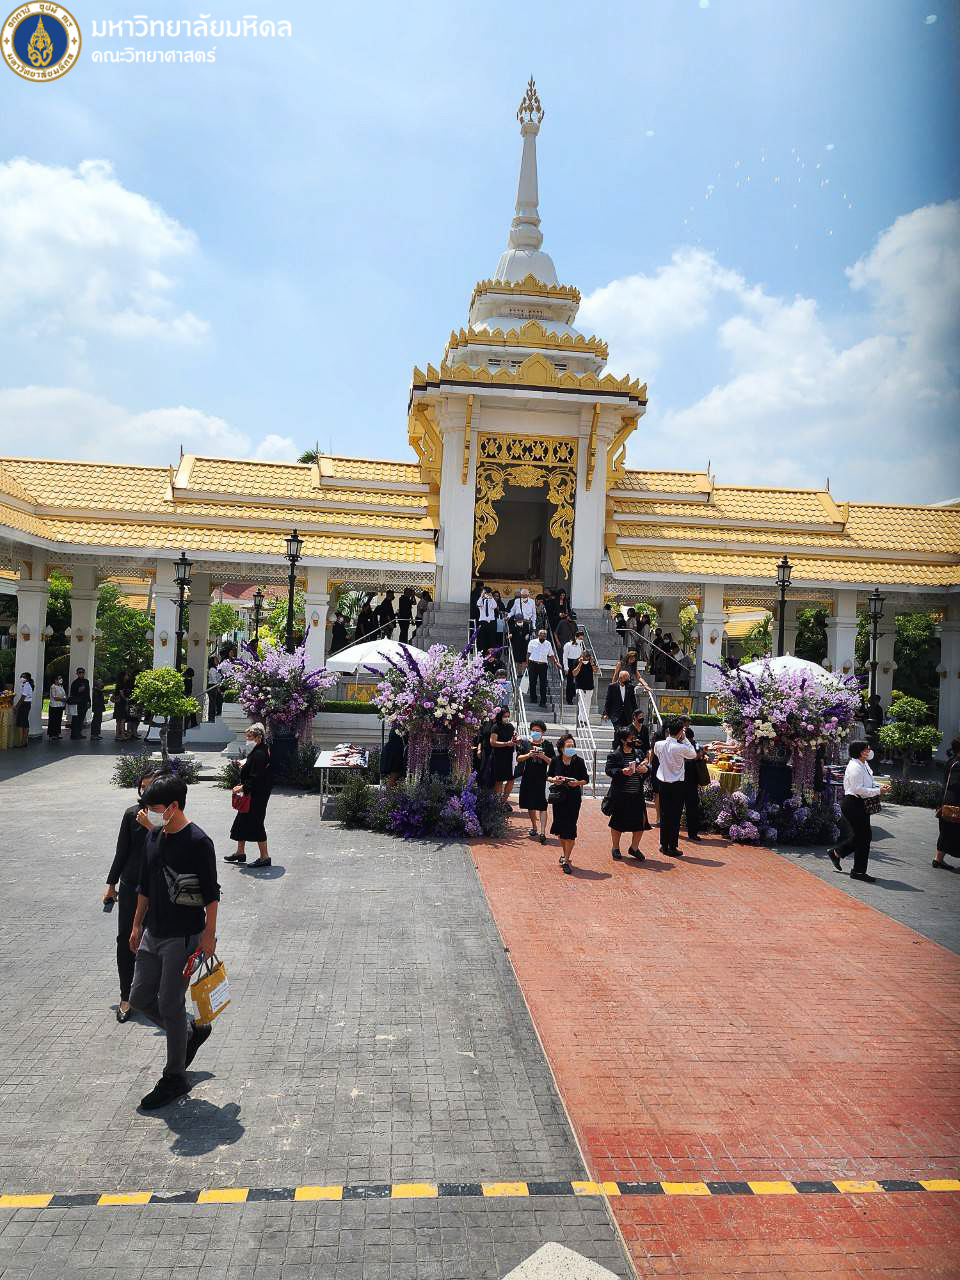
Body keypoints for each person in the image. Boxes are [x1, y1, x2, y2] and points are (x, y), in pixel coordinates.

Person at [128, 774, 220, 1110]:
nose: (149, 814)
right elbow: (145, 886)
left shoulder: (198, 842)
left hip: (183, 937)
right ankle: (190, 1033)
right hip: (153, 933)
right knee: (139, 998)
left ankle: (175, 1077)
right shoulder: (154, 836)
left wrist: (208, 936)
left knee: (169, 1004)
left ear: (173, 807)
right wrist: (136, 925)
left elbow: (211, 894)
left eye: (154, 808)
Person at [104, 770, 161, 1022]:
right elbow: (122, 852)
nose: (147, 791)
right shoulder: (131, 814)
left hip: (157, 889)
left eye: (152, 787)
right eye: (144, 787)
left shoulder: (167, 817)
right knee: (126, 940)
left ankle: (151, 995)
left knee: (156, 942)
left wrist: (153, 826)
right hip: (130, 886)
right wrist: (111, 884)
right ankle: (126, 996)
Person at [828, 741, 881, 882]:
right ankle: (858, 871)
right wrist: (878, 791)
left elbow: (868, 783)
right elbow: (858, 789)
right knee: (863, 837)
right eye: (866, 749)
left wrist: (879, 787)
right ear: (859, 751)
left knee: (863, 837)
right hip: (853, 804)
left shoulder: (864, 764)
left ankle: (837, 853)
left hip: (859, 803)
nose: (869, 751)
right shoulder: (855, 767)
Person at [225, 723, 274, 866]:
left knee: (256, 823)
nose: (247, 739)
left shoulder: (260, 753)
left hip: (257, 794)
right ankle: (240, 852)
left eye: (250, 737)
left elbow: (256, 776)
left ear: (258, 737)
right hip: (253, 792)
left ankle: (265, 857)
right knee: (241, 821)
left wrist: (242, 787)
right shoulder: (259, 749)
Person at [653, 718, 700, 857]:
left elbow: (657, 754)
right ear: (680, 732)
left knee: (664, 814)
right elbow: (693, 754)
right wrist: (684, 739)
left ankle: (663, 844)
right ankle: (672, 846)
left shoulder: (658, 744)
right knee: (675, 816)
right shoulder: (680, 747)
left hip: (663, 782)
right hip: (677, 784)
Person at [605, 727, 651, 861]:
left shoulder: (638, 753)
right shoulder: (615, 755)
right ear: (623, 740)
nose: (633, 740)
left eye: (634, 738)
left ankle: (634, 848)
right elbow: (609, 770)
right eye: (631, 738)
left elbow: (647, 768)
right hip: (621, 794)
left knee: (641, 822)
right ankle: (615, 847)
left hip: (637, 794)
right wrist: (621, 771)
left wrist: (645, 770)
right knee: (617, 823)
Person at [548, 732, 589, 873]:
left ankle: (566, 859)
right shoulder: (555, 760)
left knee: (570, 828)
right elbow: (548, 776)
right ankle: (565, 853)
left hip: (573, 799)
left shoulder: (579, 761)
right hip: (559, 798)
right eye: (568, 746)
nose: (571, 748)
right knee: (560, 829)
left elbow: (586, 779)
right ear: (561, 748)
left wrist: (577, 783)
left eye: (572, 746)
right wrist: (554, 780)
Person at [516, 720, 555, 843]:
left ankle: (543, 832)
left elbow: (553, 762)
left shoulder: (547, 745)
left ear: (543, 732)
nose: (535, 732)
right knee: (530, 804)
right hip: (528, 778)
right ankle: (534, 826)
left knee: (543, 805)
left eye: (538, 731)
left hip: (542, 778)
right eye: (533, 730)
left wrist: (543, 756)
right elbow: (519, 758)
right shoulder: (526, 744)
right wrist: (529, 755)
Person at [933, 737, 960, 870]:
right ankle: (938, 860)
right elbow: (955, 784)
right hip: (954, 802)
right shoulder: (957, 764)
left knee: (946, 831)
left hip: (947, 800)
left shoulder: (952, 760)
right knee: (950, 831)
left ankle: (938, 860)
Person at [488, 707, 518, 805]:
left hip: (509, 756)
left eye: (508, 716)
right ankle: (497, 803)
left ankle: (503, 801)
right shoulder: (495, 727)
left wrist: (516, 739)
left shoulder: (510, 726)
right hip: (499, 756)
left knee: (511, 779)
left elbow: (513, 738)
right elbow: (492, 742)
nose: (507, 718)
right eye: (505, 716)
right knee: (499, 780)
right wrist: (506, 744)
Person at [563, 630, 596, 712]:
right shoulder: (568, 645)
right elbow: (565, 656)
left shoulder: (580, 646)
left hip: (578, 662)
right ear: (576, 637)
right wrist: (566, 667)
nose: (581, 640)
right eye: (579, 638)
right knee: (570, 681)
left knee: (576, 681)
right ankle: (569, 699)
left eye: (582, 639)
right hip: (570, 661)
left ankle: (575, 696)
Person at [681, 718, 703, 841]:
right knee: (688, 807)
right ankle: (691, 833)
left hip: (688, 781)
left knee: (692, 808)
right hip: (683, 781)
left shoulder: (694, 744)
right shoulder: (680, 745)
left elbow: (700, 753)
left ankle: (693, 832)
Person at [526, 629, 558, 708]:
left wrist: (556, 662)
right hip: (533, 664)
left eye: (544, 635)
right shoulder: (532, 642)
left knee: (543, 684)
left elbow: (551, 655)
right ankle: (533, 698)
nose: (543, 636)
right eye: (541, 635)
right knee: (532, 682)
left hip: (543, 665)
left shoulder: (548, 644)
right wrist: (527, 664)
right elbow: (528, 653)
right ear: (538, 635)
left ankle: (543, 701)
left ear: (546, 636)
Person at [69, 667, 91, 739]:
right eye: (79, 672)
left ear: (84, 673)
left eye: (82, 672)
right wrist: (78, 691)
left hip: (84, 703)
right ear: (77, 673)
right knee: (76, 719)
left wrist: (89, 702)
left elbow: (88, 692)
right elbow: (72, 693)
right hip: (77, 703)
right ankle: (74, 734)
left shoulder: (86, 681)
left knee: (81, 719)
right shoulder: (75, 683)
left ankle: (79, 733)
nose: (81, 674)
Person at [13, 671, 33, 746]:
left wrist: (17, 706)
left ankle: (22, 741)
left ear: (27, 678)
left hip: (24, 704)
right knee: (24, 722)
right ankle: (24, 741)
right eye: (21, 676)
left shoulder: (26, 686)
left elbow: (23, 697)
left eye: (24, 677)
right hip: (26, 704)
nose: (22, 678)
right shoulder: (26, 685)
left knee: (22, 723)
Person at [476, 587, 499, 651]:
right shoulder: (481, 600)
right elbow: (478, 604)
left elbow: (495, 606)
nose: (486, 594)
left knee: (492, 639)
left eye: (487, 593)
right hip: (483, 622)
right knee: (483, 639)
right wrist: (482, 596)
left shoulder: (491, 600)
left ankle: (491, 653)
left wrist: (491, 597)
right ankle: (482, 653)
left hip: (491, 622)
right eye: (485, 593)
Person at [47, 674, 67, 740]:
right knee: (53, 720)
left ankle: (57, 733)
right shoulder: (53, 687)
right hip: (54, 706)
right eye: (59, 678)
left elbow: (64, 695)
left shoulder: (61, 686)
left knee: (58, 720)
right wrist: (63, 699)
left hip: (60, 706)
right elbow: (55, 697)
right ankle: (52, 734)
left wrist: (64, 699)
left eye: (61, 678)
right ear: (55, 680)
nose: (61, 680)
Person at [206, 657, 223, 723]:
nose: (217, 661)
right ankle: (211, 718)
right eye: (216, 660)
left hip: (215, 686)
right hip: (213, 686)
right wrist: (217, 687)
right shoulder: (212, 669)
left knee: (216, 702)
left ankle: (214, 716)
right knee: (212, 703)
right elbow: (214, 679)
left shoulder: (216, 669)